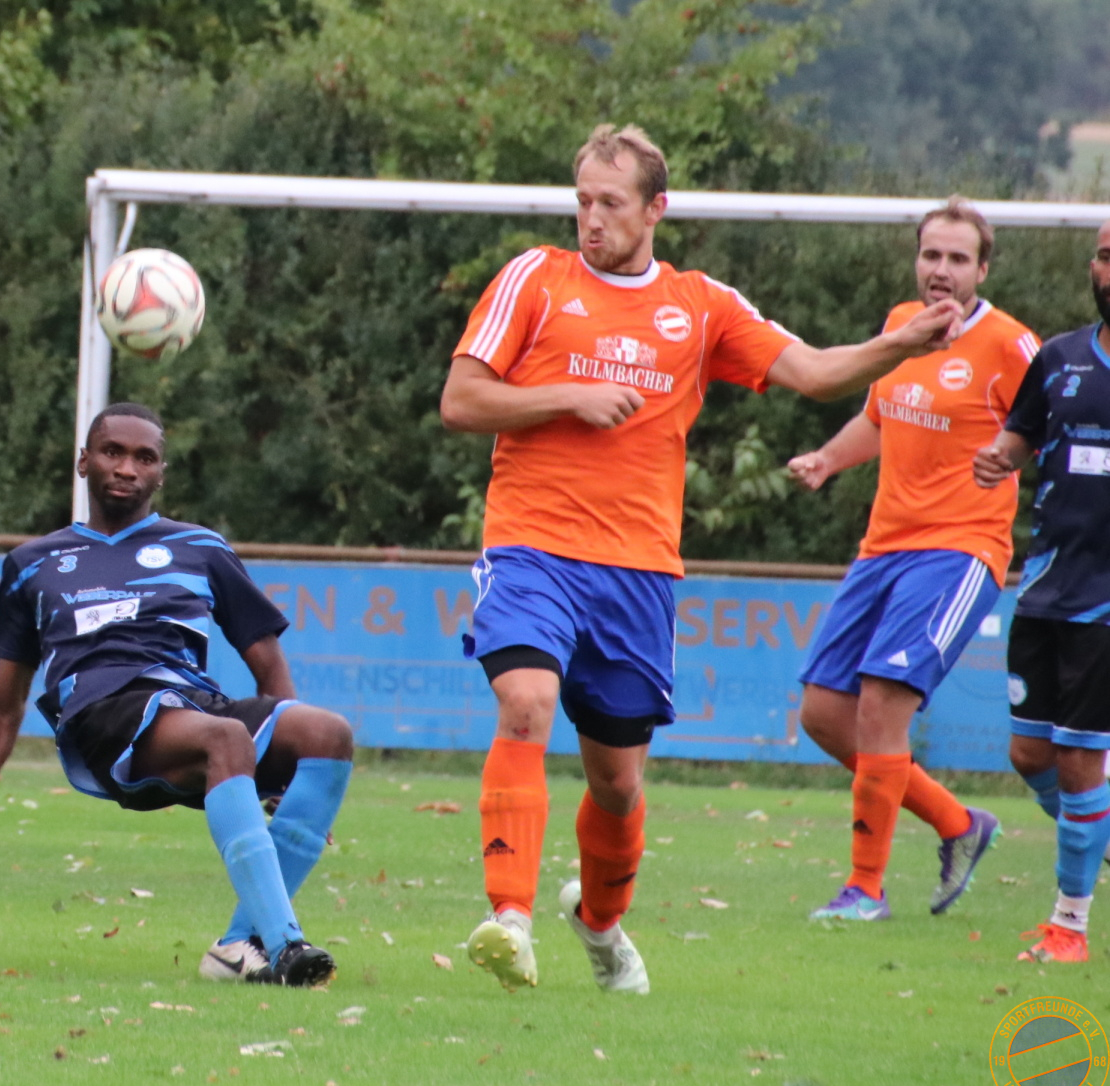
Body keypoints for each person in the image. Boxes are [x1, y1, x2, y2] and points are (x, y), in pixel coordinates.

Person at [439, 123, 965, 994]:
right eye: (583, 200)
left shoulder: (700, 304)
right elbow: (461, 398)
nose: (592, 219)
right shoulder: (536, 277)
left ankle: (600, 925)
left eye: (611, 203)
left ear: (656, 208)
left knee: (617, 784)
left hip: (638, 573)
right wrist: (568, 395)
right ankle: (511, 919)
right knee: (525, 703)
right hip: (533, 547)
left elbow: (812, 371)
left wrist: (898, 347)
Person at [0, 403, 353, 987]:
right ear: (84, 461)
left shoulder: (201, 547)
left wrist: (284, 776)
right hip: (103, 713)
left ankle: (241, 944)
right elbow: (4, 706)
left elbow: (267, 661)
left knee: (328, 734)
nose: (127, 468)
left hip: (190, 704)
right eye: (112, 452)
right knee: (225, 737)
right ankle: (287, 945)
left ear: (161, 473)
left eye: (145, 457)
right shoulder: (32, 564)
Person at [787, 198, 1040, 922]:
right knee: (824, 712)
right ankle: (959, 823)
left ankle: (865, 889)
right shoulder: (902, 325)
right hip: (883, 549)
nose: (941, 269)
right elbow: (879, 416)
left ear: (982, 270)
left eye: (958, 258)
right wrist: (827, 459)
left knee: (879, 704)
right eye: (932, 254)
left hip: (960, 549)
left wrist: (1013, 457)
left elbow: (1055, 424)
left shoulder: (1010, 344)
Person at [973, 218, 1110, 964]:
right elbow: (1020, 435)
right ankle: (1098, 832)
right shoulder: (1058, 359)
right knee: (1031, 754)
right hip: (1047, 588)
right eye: (1107, 257)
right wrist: (999, 458)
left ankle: (1069, 927)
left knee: (1083, 759)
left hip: (1105, 605)